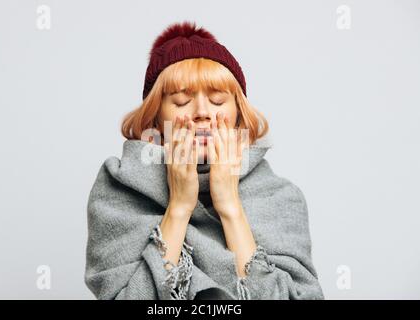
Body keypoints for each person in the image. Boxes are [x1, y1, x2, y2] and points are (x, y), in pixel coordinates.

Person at [84, 21, 324, 300]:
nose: (202, 113)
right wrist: (179, 207)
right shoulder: (118, 188)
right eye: (182, 101)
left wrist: (230, 207)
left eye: (218, 101)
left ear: (238, 117)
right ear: (156, 120)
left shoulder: (281, 198)